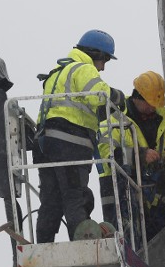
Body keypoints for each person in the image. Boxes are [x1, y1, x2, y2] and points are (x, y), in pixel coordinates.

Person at [34, 29, 121, 243]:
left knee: (51, 200)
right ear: (96, 54)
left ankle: (44, 244)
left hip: (46, 145)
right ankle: (83, 243)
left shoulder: (57, 71)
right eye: (104, 60)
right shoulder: (84, 69)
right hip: (69, 143)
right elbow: (100, 96)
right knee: (75, 196)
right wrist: (119, 98)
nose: (103, 67)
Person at [97, 70, 165, 244]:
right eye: (149, 103)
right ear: (138, 97)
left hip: (154, 201)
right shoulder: (115, 118)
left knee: (152, 248)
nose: (152, 107)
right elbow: (107, 155)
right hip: (122, 194)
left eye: (155, 104)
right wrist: (139, 155)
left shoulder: (162, 123)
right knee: (128, 243)